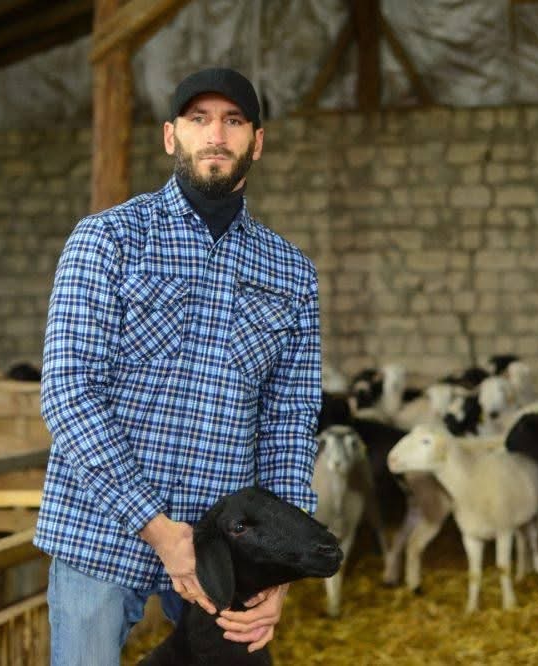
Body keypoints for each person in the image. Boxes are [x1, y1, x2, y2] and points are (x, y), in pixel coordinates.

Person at [34, 67, 321, 665]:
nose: (216, 134)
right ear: (171, 136)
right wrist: (157, 527)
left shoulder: (291, 273)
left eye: (234, 121)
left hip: (224, 552)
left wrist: (280, 568)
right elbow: (68, 390)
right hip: (100, 529)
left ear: (256, 142)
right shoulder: (108, 239)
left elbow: (290, 423)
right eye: (199, 119)